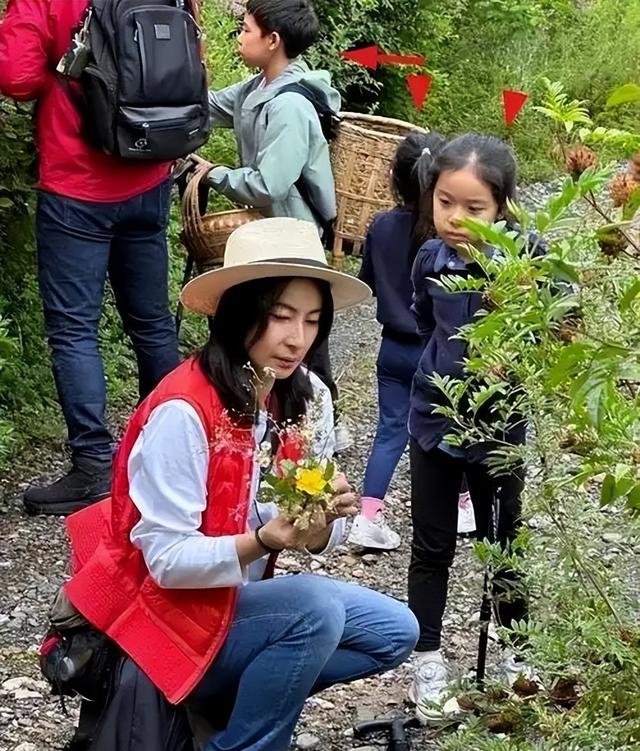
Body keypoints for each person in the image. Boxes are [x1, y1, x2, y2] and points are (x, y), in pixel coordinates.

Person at [62, 217, 420, 751]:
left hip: (231, 605)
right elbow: (168, 563)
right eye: (280, 315)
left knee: (392, 631)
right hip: (160, 614)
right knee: (312, 609)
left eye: (311, 320)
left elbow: (308, 539)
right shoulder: (183, 410)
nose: (296, 338)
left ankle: (237, 708)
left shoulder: (304, 395)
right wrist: (263, 541)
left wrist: (321, 523)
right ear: (238, 311)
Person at [0, 0, 181, 516]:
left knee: (75, 329)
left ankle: (94, 467)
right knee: (150, 322)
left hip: (77, 183)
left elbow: (13, 77)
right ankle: (170, 453)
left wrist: (59, 78)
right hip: (150, 169)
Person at [407, 134, 535, 717]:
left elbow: (555, 334)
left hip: (500, 424)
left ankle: (517, 660)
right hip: (434, 415)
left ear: (503, 206)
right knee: (431, 546)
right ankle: (427, 664)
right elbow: (420, 317)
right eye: (444, 202)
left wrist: (514, 352)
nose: (455, 219)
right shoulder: (429, 260)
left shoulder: (526, 264)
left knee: (503, 545)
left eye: (474, 208)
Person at [205, 0, 349, 449]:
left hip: (294, 238)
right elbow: (206, 105)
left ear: (273, 41)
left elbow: (269, 183)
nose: (239, 36)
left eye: (246, 29)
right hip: (266, 239)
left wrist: (211, 174)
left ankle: (319, 430)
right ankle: (260, 423)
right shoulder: (254, 90)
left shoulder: (289, 106)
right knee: (263, 329)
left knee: (301, 335)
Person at [347, 131, 446, 551]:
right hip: (436, 350)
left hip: (392, 349)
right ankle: (459, 507)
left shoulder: (381, 225)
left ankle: (368, 517)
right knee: (446, 429)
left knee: (390, 431)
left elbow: (367, 282)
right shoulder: (445, 238)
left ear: (394, 178)